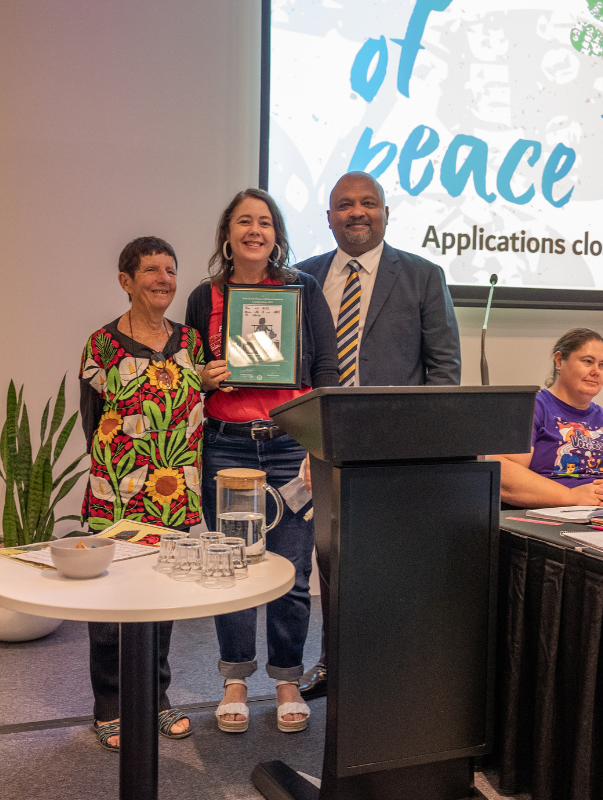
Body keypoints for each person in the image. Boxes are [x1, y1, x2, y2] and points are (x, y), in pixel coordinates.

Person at [297, 170, 462, 699]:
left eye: (368, 203)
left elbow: (444, 370)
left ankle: (388, 669)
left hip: (397, 452)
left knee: (390, 565)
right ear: (329, 218)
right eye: (344, 205)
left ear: (386, 213)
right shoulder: (302, 278)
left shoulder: (422, 275)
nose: (357, 212)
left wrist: (430, 450)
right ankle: (333, 661)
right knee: (329, 559)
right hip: (325, 445)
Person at [185, 187, 338, 733]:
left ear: (277, 235)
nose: (255, 230)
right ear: (227, 234)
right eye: (244, 221)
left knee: (292, 572)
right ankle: (234, 679)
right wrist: (201, 375)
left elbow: (326, 369)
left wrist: (318, 445)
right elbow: (192, 368)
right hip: (226, 444)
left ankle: (287, 677)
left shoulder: (303, 289)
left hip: (289, 444)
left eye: (266, 222)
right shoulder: (206, 297)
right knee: (233, 568)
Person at [80, 236, 205, 750]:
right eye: (151, 269)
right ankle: (108, 703)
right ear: (125, 280)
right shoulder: (102, 345)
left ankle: (155, 698)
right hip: (116, 498)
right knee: (111, 606)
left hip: (174, 498)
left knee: (160, 603)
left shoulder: (193, 343)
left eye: (171, 270)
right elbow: (91, 422)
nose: (164, 279)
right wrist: (118, 476)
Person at [490, 328, 603, 508]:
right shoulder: (533, 407)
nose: (596, 371)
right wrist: (571, 496)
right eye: (588, 361)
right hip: (547, 515)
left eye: (602, 365)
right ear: (559, 360)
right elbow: (502, 471)